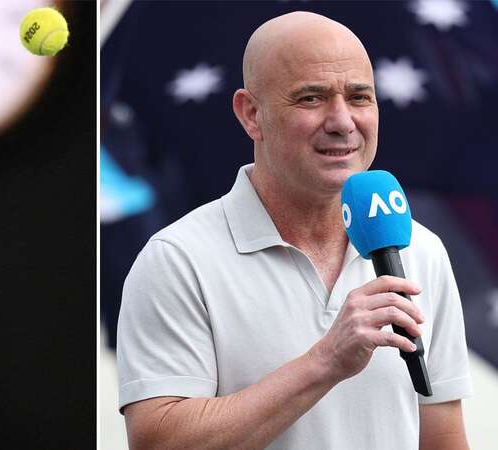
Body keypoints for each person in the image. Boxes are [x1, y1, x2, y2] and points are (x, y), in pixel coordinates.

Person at [117, 11, 472, 450]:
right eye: (311, 98)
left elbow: (442, 439)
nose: (343, 122)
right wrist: (326, 361)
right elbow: (158, 443)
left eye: (360, 97)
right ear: (251, 114)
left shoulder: (421, 250)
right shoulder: (177, 259)